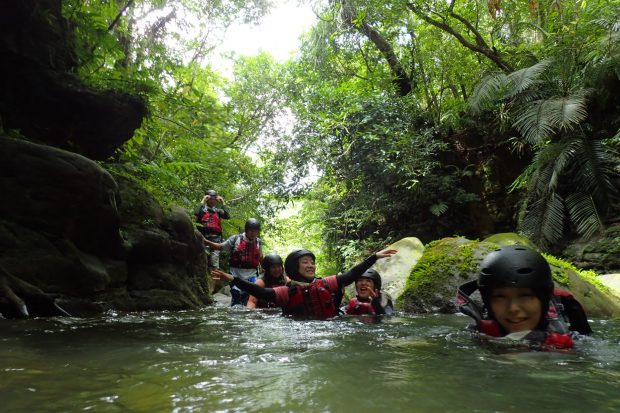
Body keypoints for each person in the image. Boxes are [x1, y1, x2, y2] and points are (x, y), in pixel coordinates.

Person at [456, 245, 592, 350]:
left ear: (544, 298)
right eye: (500, 297)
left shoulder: (573, 339)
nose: (512, 308)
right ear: (487, 301)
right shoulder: (477, 335)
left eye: (525, 296)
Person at [211, 247, 398, 319]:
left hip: (329, 329)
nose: (311, 266)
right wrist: (233, 279)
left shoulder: (325, 284)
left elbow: (351, 275)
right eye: (305, 262)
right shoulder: (287, 291)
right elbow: (260, 293)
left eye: (312, 262)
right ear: (294, 267)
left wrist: (374, 257)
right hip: (302, 333)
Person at [204, 218, 263, 306]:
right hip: (235, 275)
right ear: (246, 230)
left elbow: (261, 258)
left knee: (249, 299)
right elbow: (220, 247)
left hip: (252, 275)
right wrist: (206, 241)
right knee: (237, 297)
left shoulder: (258, 242)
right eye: (251, 231)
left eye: (255, 231)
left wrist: (266, 270)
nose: (253, 233)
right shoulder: (236, 239)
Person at [194, 189, 230, 269]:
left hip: (216, 240)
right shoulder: (202, 209)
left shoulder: (218, 211)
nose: (212, 201)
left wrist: (223, 202)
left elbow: (227, 216)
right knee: (202, 260)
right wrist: (203, 200)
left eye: (214, 199)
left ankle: (214, 278)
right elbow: (196, 213)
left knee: (215, 264)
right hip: (203, 238)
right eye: (210, 199)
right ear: (207, 199)